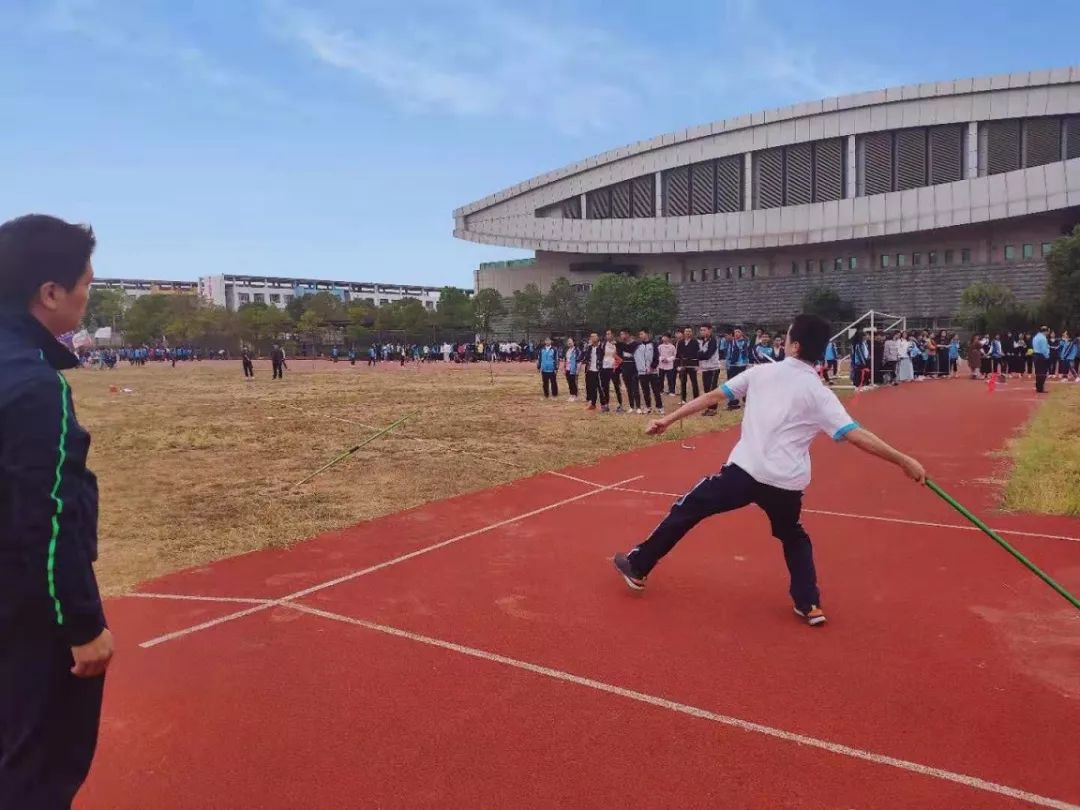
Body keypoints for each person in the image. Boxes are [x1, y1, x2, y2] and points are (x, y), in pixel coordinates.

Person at [612, 314, 926, 626]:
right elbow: (855, 434)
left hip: (746, 472)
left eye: (787, 336)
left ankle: (638, 566)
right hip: (787, 483)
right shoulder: (820, 393)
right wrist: (904, 461)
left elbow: (713, 397)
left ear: (794, 345)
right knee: (793, 536)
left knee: (688, 508)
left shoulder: (761, 373)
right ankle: (809, 603)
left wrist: (667, 420)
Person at [0, 214, 114, 807]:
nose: (86, 299)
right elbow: (46, 522)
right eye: (86, 285)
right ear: (49, 292)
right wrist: (83, 626)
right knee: (38, 769)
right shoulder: (34, 385)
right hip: (28, 613)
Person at [634, 328, 664, 415]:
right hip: (642, 372)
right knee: (645, 391)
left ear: (647, 334)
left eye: (642, 334)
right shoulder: (638, 345)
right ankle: (648, 407)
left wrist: (652, 367)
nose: (640, 336)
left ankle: (660, 407)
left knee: (656, 390)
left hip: (652, 372)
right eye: (639, 334)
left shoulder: (654, 344)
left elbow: (656, 357)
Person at [697, 323, 722, 416]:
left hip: (713, 368)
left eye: (704, 330)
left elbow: (708, 355)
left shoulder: (713, 341)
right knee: (707, 389)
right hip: (705, 368)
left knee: (712, 389)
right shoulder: (702, 341)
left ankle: (713, 409)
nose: (702, 332)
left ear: (710, 330)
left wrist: (699, 355)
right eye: (701, 330)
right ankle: (709, 407)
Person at [724, 328, 752, 409]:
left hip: (741, 365)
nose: (736, 333)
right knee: (731, 384)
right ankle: (733, 402)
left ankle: (746, 400)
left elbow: (746, 353)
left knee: (743, 384)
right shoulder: (730, 342)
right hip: (732, 365)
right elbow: (728, 353)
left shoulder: (745, 342)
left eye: (738, 332)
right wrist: (727, 363)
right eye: (735, 332)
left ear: (742, 333)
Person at [600, 329, 624, 414]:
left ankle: (620, 405)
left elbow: (621, 357)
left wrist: (618, 366)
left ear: (613, 335)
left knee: (616, 386)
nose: (607, 336)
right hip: (605, 368)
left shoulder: (617, 345)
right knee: (605, 387)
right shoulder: (603, 345)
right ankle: (606, 405)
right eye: (606, 334)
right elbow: (601, 355)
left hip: (614, 368)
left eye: (609, 334)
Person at [618, 329, 641, 413]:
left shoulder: (637, 344)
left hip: (635, 369)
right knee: (629, 388)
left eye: (623, 334)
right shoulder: (621, 345)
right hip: (625, 368)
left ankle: (638, 407)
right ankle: (631, 406)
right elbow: (619, 356)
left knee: (635, 388)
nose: (621, 336)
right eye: (620, 334)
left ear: (627, 334)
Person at [675, 327, 700, 404]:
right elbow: (678, 355)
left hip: (692, 364)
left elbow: (698, 354)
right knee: (683, 382)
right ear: (684, 332)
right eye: (686, 331)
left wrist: (697, 365)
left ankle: (696, 399)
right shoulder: (680, 342)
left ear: (691, 333)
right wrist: (677, 365)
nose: (688, 333)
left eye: (689, 331)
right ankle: (683, 399)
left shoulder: (695, 342)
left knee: (694, 382)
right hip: (683, 364)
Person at [583, 332, 605, 412]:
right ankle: (593, 404)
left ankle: (604, 405)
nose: (592, 338)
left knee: (600, 388)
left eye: (594, 337)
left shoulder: (602, 347)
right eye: (591, 337)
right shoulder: (589, 348)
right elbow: (585, 358)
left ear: (597, 338)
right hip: (590, 370)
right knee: (592, 388)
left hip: (599, 370)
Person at [1032, 326, 1050, 393]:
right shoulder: (1043, 338)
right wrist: (1047, 356)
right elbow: (1044, 350)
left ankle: (1038, 387)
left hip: (1035, 355)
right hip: (1041, 356)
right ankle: (1040, 388)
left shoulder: (1035, 337)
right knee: (1043, 372)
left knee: (1038, 372)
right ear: (1045, 331)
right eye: (1048, 331)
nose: (1048, 333)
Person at [563, 338, 580, 402]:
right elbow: (566, 360)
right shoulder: (567, 350)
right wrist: (564, 368)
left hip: (573, 369)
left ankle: (575, 395)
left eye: (570, 341)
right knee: (569, 382)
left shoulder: (577, 350)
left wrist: (577, 370)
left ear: (574, 342)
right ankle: (571, 395)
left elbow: (579, 360)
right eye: (568, 341)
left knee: (573, 382)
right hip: (567, 368)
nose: (569, 343)